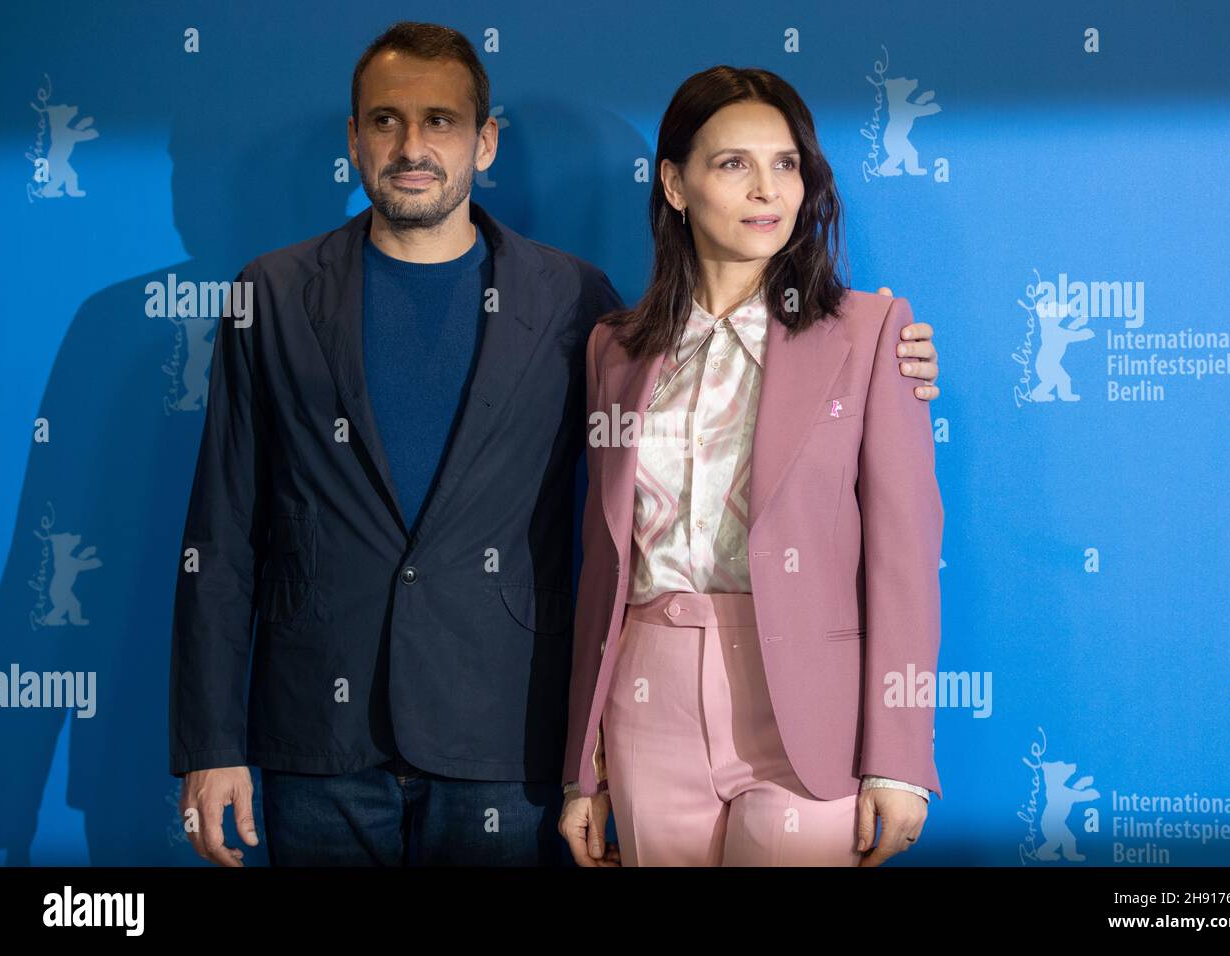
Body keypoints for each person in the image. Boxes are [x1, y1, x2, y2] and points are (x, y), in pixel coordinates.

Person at [170, 24, 941, 867]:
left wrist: (889, 370)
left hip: (504, 738)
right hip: (318, 733)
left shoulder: (575, 304)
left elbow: (888, 541)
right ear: (353, 139)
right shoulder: (273, 296)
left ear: (485, 140)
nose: (413, 145)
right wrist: (211, 741)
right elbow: (222, 528)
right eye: (386, 121)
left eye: (442, 121)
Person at [560, 65, 943, 867]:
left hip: (809, 705)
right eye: (733, 163)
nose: (766, 189)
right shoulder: (614, 350)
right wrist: (580, 768)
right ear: (674, 183)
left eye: (786, 163)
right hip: (647, 699)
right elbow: (603, 566)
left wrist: (901, 756)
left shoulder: (872, 334)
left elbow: (905, 557)